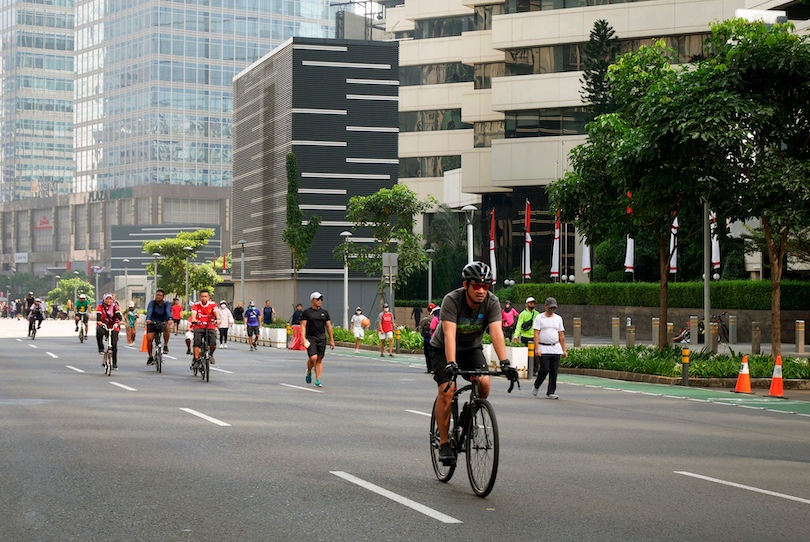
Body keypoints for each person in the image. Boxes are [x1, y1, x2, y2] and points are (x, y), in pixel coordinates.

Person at [429, 261, 516, 466]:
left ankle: (470, 412)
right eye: (476, 285)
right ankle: (444, 443)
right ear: (465, 285)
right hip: (443, 348)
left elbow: (496, 332)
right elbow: (449, 334)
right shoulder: (452, 300)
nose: (481, 290)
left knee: (484, 384)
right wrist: (451, 363)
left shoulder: (492, 302)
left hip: (471, 349)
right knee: (448, 390)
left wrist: (505, 363)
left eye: (485, 286)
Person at [532, 297, 567, 399]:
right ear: (546, 306)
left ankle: (551, 391)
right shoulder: (539, 318)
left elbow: (561, 335)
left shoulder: (558, 318)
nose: (552, 310)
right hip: (543, 347)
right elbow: (536, 334)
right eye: (550, 307)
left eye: (554, 308)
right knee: (544, 369)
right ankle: (537, 384)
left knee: (554, 371)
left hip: (555, 347)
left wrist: (564, 349)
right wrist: (537, 348)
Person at [301, 291, 335, 387]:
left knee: (319, 359)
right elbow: (303, 326)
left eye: (321, 299)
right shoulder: (307, 312)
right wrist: (303, 338)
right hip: (311, 338)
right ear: (312, 300)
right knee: (313, 358)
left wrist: (331, 340)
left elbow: (328, 326)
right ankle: (309, 371)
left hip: (322, 338)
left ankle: (318, 379)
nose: (320, 301)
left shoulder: (324, 313)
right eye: (318, 299)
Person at [190, 289, 220, 367]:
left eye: (206, 296)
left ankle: (211, 354)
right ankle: (196, 359)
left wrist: (218, 319)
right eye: (202, 296)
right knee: (197, 343)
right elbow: (194, 313)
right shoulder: (196, 305)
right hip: (199, 326)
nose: (204, 298)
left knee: (213, 343)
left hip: (210, 326)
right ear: (200, 297)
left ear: (209, 297)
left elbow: (216, 312)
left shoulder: (213, 304)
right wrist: (194, 319)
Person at [96, 294, 123, 368]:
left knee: (114, 344)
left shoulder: (115, 306)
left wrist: (120, 321)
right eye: (107, 299)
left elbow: (118, 314)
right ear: (104, 300)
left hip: (114, 326)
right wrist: (99, 321)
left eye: (110, 299)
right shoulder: (100, 306)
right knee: (99, 331)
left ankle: (114, 363)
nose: (109, 301)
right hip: (104, 325)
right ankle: (101, 348)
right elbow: (98, 314)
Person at [145, 289, 171, 365]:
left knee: (167, 327)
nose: (157, 296)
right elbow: (149, 311)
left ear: (163, 297)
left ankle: (166, 345)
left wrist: (169, 319)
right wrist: (148, 319)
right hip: (152, 322)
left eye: (160, 295)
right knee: (149, 340)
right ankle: (150, 357)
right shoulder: (152, 303)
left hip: (163, 321)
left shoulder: (166, 304)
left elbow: (168, 311)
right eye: (157, 295)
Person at [418, 303, 437, 373]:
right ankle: (434, 368)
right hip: (435, 340)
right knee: (434, 354)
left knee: (427, 354)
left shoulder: (424, 320)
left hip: (426, 339)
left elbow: (420, 329)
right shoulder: (437, 318)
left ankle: (429, 368)